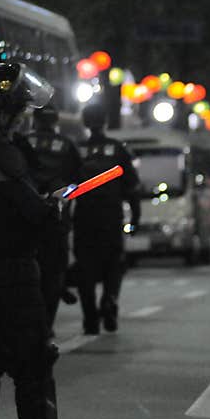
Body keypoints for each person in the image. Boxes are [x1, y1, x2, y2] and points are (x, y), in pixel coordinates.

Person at [0, 62, 91, 419]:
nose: (23, 117)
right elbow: (36, 216)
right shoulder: (4, 155)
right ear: (2, 113)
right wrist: (55, 205)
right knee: (33, 365)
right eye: (18, 110)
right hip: (11, 276)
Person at [72, 103, 141, 335]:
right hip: (111, 217)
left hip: (84, 218)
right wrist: (136, 218)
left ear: (84, 121)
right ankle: (110, 299)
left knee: (85, 269)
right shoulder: (118, 149)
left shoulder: (76, 150)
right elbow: (132, 188)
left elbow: (66, 187)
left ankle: (90, 318)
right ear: (106, 120)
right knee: (114, 264)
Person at [22, 104, 82, 332]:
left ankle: (32, 323)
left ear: (34, 121)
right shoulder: (67, 146)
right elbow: (79, 180)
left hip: (27, 218)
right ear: (56, 121)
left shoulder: (22, 143)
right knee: (54, 272)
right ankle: (47, 324)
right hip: (56, 219)